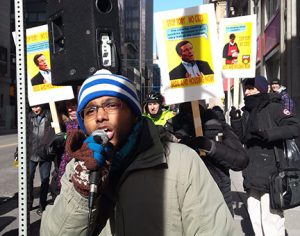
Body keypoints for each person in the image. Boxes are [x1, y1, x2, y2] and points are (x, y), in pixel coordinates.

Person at [40, 70, 237, 236]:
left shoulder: (180, 161)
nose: (100, 116)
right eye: (90, 110)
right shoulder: (77, 169)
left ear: (134, 114)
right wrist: (81, 194)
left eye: (111, 105)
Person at [230, 75, 300, 236]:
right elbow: (241, 138)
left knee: (271, 219)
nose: (247, 92)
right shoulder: (246, 111)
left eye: (251, 88)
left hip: (272, 173)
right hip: (251, 172)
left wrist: (268, 134)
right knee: (255, 217)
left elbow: (294, 127)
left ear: (261, 89)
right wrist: (235, 120)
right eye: (246, 89)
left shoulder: (274, 107)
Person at [165, 102, 249, 215]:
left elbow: (241, 160)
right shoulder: (172, 127)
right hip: (184, 204)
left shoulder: (217, 125)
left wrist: (211, 146)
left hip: (218, 201)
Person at [28, 104, 53, 216]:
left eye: (37, 106)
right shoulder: (28, 117)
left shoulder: (49, 115)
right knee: (28, 179)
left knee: (45, 179)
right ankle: (28, 202)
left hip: (45, 154)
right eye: (33, 107)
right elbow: (24, 135)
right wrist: (19, 151)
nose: (36, 109)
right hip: (31, 153)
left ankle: (42, 205)